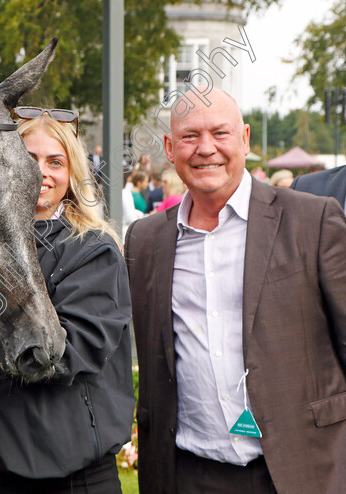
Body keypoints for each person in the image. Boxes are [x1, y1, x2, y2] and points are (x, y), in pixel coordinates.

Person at [125, 88, 346, 493]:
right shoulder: (144, 240)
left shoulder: (311, 221)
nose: (206, 149)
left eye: (220, 133)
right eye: (190, 136)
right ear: (170, 149)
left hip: (304, 470)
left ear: (244, 138)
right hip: (188, 473)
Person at [0, 108, 134, 493]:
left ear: (73, 172)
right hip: (1, 475)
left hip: (75, 480)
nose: (42, 172)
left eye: (55, 161)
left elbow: (59, 353)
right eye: (29, 159)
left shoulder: (93, 251)